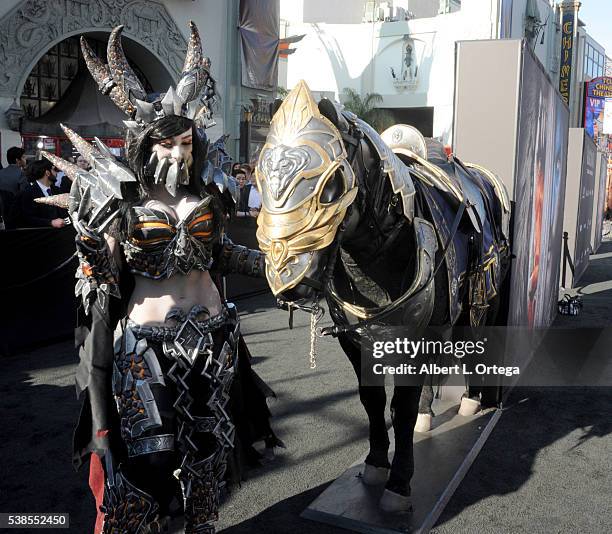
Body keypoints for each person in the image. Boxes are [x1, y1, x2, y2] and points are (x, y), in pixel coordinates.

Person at [45, 23, 280, 534]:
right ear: (145, 143)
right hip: (145, 347)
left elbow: (223, 256)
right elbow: (104, 280)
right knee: (146, 460)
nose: (180, 153)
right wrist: (91, 245)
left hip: (213, 341)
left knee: (210, 453)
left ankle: (201, 526)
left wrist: (275, 266)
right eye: (168, 143)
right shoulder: (119, 197)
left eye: (186, 141)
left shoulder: (209, 193)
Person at [20, 159, 66, 228]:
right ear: (47, 173)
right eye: (53, 170)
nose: (56, 173)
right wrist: (50, 223)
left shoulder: (57, 190)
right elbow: (27, 218)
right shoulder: (28, 192)